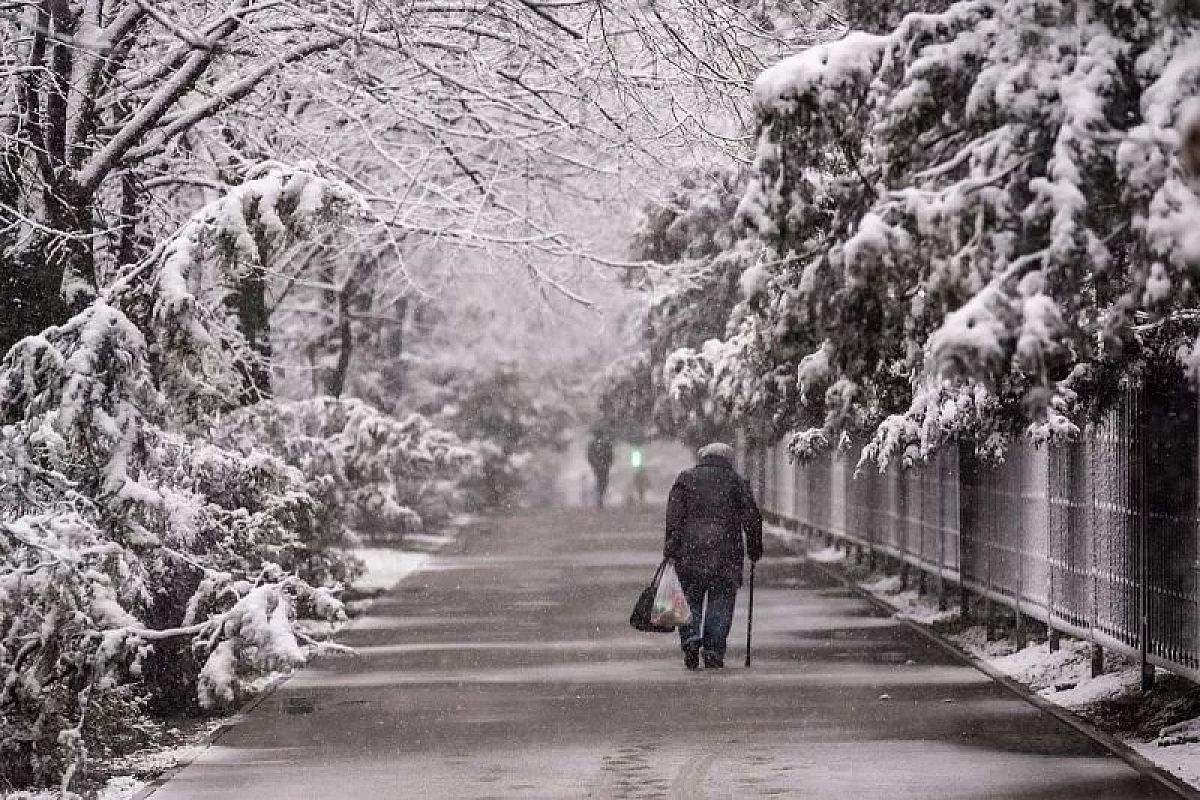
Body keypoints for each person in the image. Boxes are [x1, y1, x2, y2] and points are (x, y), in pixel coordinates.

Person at [663, 442, 762, 670]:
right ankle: (713, 650)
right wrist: (754, 547)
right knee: (721, 601)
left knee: (690, 597)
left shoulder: (686, 479)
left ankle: (690, 640)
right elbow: (752, 519)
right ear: (728, 460)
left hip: (691, 553)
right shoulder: (737, 482)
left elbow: (674, 518)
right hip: (727, 553)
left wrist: (670, 548)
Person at [586, 430, 614, 509]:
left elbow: (611, 455)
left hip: (604, 466)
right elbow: (590, 456)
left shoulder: (607, 444)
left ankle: (600, 496)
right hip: (598, 467)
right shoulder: (593, 444)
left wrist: (608, 464)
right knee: (601, 481)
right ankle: (599, 497)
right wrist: (596, 464)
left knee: (604, 482)